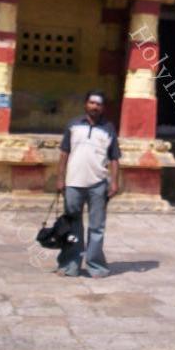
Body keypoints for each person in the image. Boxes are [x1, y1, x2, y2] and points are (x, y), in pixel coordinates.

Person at [55, 91, 120, 277]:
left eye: (98, 104)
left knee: (97, 227)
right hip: (73, 182)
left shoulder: (108, 129)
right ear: (85, 104)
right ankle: (70, 265)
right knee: (73, 224)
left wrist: (114, 182)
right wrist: (60, 178)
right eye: (91, 103)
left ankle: (96, 266)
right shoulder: (73, 125)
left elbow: (114, 158)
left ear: (103, 108)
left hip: (98, 184)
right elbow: (64, 153)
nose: (94, 106)